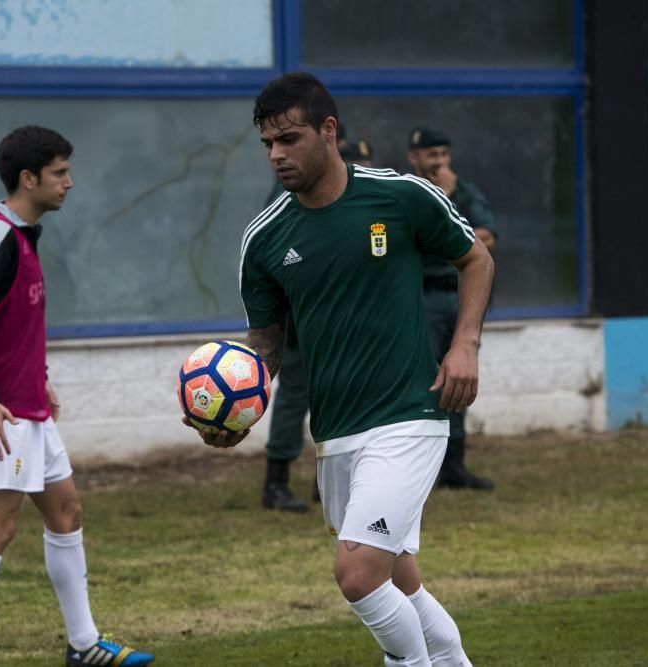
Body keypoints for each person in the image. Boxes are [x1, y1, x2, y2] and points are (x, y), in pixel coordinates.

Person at [188, 73, 494, 666]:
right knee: (400, 579)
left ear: (328, 131)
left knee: (357, 573)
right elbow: (265, 346)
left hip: (411, 414)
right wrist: (239, 408)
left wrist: (465, 345)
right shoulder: (265, 237)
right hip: (335, 433)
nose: (277, 154)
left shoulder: (401, 195)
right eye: (267, 144)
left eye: (289, 138)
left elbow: (475, 257)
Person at [0, 126, 154, 667]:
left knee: (66, 511)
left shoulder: (23, 235)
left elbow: (7, 323)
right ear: (28, 179)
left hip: (26, 403)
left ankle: (84, 646)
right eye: (59, 173)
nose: (70, 183)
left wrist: (40, 376)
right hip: (0, 413)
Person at [261, 136, 377, 513]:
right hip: (302, 323)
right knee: (295, 396)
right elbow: (275, 259)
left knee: (346, 397)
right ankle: (276, 481)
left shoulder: (367, 200)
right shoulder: (289, 198)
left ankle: (325, 481)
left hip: (351, 324)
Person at [407, 127, 498, 491]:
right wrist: (442, 203)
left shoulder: (465, 190)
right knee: (426, 381)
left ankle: (454, 464)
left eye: (444, 155)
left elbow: (489, 235)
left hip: (459, 295)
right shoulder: (404, 191)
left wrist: (448, 232)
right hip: (422, 297)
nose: (440, 162)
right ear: (414, 157)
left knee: (460, 376)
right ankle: (420, 467)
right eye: (432, 156)